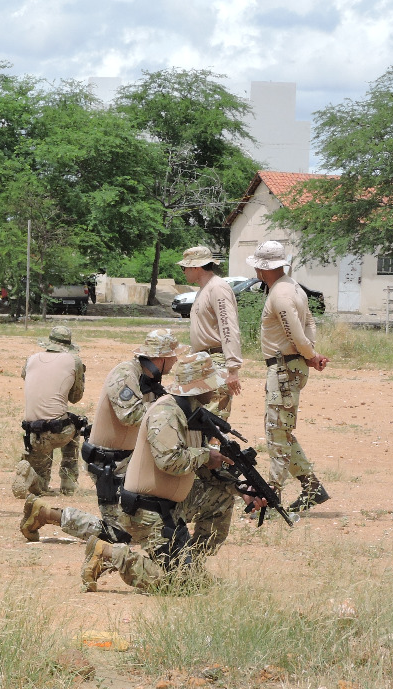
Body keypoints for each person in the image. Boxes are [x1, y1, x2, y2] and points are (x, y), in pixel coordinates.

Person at [79, 352, 260, 593]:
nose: (216, 390)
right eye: (211, 383)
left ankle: (186, 564)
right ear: (199, 386)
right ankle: (109, 553)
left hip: (170, 506)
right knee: (178, 587)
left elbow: (208, 473)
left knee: (220, 500)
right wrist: (207, 455)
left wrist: (242, 490)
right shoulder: (167, 412)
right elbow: (170, 461)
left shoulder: (193, 413)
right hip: (146, 512)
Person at [20, 329, 180, 544]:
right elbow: (130, 415)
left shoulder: (149, 377)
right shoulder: (125, 374)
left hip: (126, 461)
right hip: (108, 463)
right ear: (160, 357)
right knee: (119, 536)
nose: (176, 360)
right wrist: (167, 408)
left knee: (137, 529)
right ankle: (48, 515)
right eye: (173, 356)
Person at [247, 239, 331, 512]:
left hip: (283, 368)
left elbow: (295, 330)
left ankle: (272, 498)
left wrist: (310, 355)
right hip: (289, 366)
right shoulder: (293, 288)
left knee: (276, 434)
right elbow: (309, 323)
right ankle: (311, 487)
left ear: (263, 268)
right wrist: (312, 353)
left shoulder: (280, 294)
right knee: (281, 431)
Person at [13, 325, 86, 499]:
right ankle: (68, 481)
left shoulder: (31, 359)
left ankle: (31, 476)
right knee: (76, 424)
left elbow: (26, 377)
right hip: (58, 432)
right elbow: (75, 398)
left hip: (33, 433)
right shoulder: (74, 361)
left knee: (41, 484)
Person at [179, 246, 242, 418]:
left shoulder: (217, 288)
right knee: (200, 418)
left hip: (216, 361)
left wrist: (232, 368)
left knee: (213, 419)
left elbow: (229, 328)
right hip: (203, 360)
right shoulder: (204, 290)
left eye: (184, 267)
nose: (183, 271)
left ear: (196, 267)